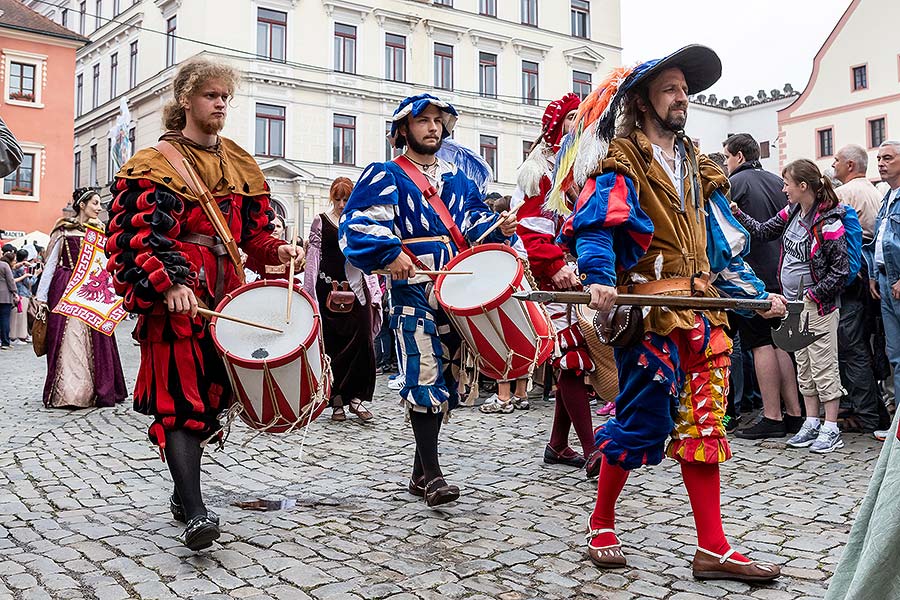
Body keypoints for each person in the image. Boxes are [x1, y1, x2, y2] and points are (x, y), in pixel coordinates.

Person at [552, 46, 785, 581]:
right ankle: (602, 522)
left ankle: (713, 548)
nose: (682, 97)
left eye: (685, 89)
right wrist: (602, 280)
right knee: (640, 424)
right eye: (670, 88)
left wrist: (757, 294)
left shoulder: (700, 166)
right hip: (652, 315)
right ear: (642, 100)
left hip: (704, 317)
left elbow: (724, 246)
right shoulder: (624, 159)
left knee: (705, 426)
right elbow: (597, 225)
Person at [106, 59, 301, 551]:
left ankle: (182, 490)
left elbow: (252, 236)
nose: (219, 104)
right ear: (186, 101)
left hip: (226, 297)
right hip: (179, 300)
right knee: (179, 401)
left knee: (213, 401)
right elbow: (137, 235)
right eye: (210, 95)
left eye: (224, 97)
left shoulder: (240, 162)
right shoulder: (154, 165)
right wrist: (169, 283)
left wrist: (275, 252)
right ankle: (195, 510)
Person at [339, 93, 516, 507]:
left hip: (456, 294)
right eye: (423, 121)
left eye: (439, 120)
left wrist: (498, 226)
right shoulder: (385, 176)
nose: (433, 127)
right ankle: (434, 476)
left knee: (447, 381)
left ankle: (420, 472)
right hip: (412, 292)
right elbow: (357, 227)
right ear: (404, 130)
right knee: (423, 374)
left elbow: (475, 224)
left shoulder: (457, 181)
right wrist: (390, 252)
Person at [734, 159, 850, 453]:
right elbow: (762, 231)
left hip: (818, 307)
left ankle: (831, 426)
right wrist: (738, 213)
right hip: (794, 306)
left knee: (824, 366)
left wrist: (814, 294)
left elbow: (840, 271)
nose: (783, 189)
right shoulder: (794, 212)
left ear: (803, 186)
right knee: (805, 368)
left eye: (787, 184)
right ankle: (811, 422)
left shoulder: (829, 221)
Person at [513, 92, 599, 470]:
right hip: (551, 276)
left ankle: (558, 444)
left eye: (580, 119)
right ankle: (594, 449)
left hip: (575, 275)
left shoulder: (579, 167)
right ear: (555, 126)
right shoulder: (540, 170)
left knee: (572, 360)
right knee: (571, 358)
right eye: (569, 119)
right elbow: (530, 230)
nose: (575, 126)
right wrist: (553, 265)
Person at [722, 133, 803, 440]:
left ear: (739, 156)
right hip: (781, 271)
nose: (727, 164)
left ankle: (771, 415)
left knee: (759, 345)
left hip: (751, 276)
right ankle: (793, 413)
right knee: (781, 342)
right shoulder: (776, 181)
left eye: (727, 157)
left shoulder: (735, 184)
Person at [35, 189, 127, 408]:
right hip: (65, 287)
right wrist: (41, 296)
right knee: (69, 338)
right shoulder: (63, 230)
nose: (99, 208)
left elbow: (105, 268)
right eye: (95, 203)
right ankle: (69, 392)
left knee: (95, 338)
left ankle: (95, 389)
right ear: (82, 205)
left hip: (91, 293)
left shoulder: (100, 233)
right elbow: (51, 265)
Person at [304, 177, 380, 422]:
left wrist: (376, 292)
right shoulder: (321, 221)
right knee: (333, 345)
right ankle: (336, 400)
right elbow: (313, 258)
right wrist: (308, 295)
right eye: (337, 199)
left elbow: (370, 258)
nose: (340, 204)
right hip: (327, 291)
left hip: (358, 292)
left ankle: (357, 399)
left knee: (363, 344)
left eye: (345, 199)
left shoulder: (360, 221)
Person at [832, 144, 888, 433]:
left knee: (852, 349)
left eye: (838, 161)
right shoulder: (876, 192)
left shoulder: (844, 194)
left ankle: (865, 414)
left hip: (853, 277)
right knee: (864, 347)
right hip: (868, 276)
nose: (833, 165)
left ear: (851, 165)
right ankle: (872, 411)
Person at [479, 193, 531, 414]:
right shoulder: (516, 238)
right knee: (521, 342)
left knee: (501, 343)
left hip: (500, 292)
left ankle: (503, 397)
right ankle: (521, 394)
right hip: (520, 290)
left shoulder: (494, 236)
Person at [867, 140, 900, 441]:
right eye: (879, 158)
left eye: (888, 158)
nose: (881, 162)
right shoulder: (887, 197)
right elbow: (879, 240)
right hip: (887, 281)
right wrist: (873, 275)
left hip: (898, 280)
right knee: (895, 356)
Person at [11, 248, 36, 343]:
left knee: (15, 316)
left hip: (15, 293)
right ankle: (20, 336)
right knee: (21, 316)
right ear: (26, 258)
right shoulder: (22, 269)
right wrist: (35, 275)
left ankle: (14, 336)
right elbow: (28, 283)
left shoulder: (14, 266)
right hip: (23, 294)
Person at [0, 252, 17, 349]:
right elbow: (10, 280)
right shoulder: (4, 265)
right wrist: (14, 291)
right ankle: (5, 342)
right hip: (5, 296)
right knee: (5, 319)